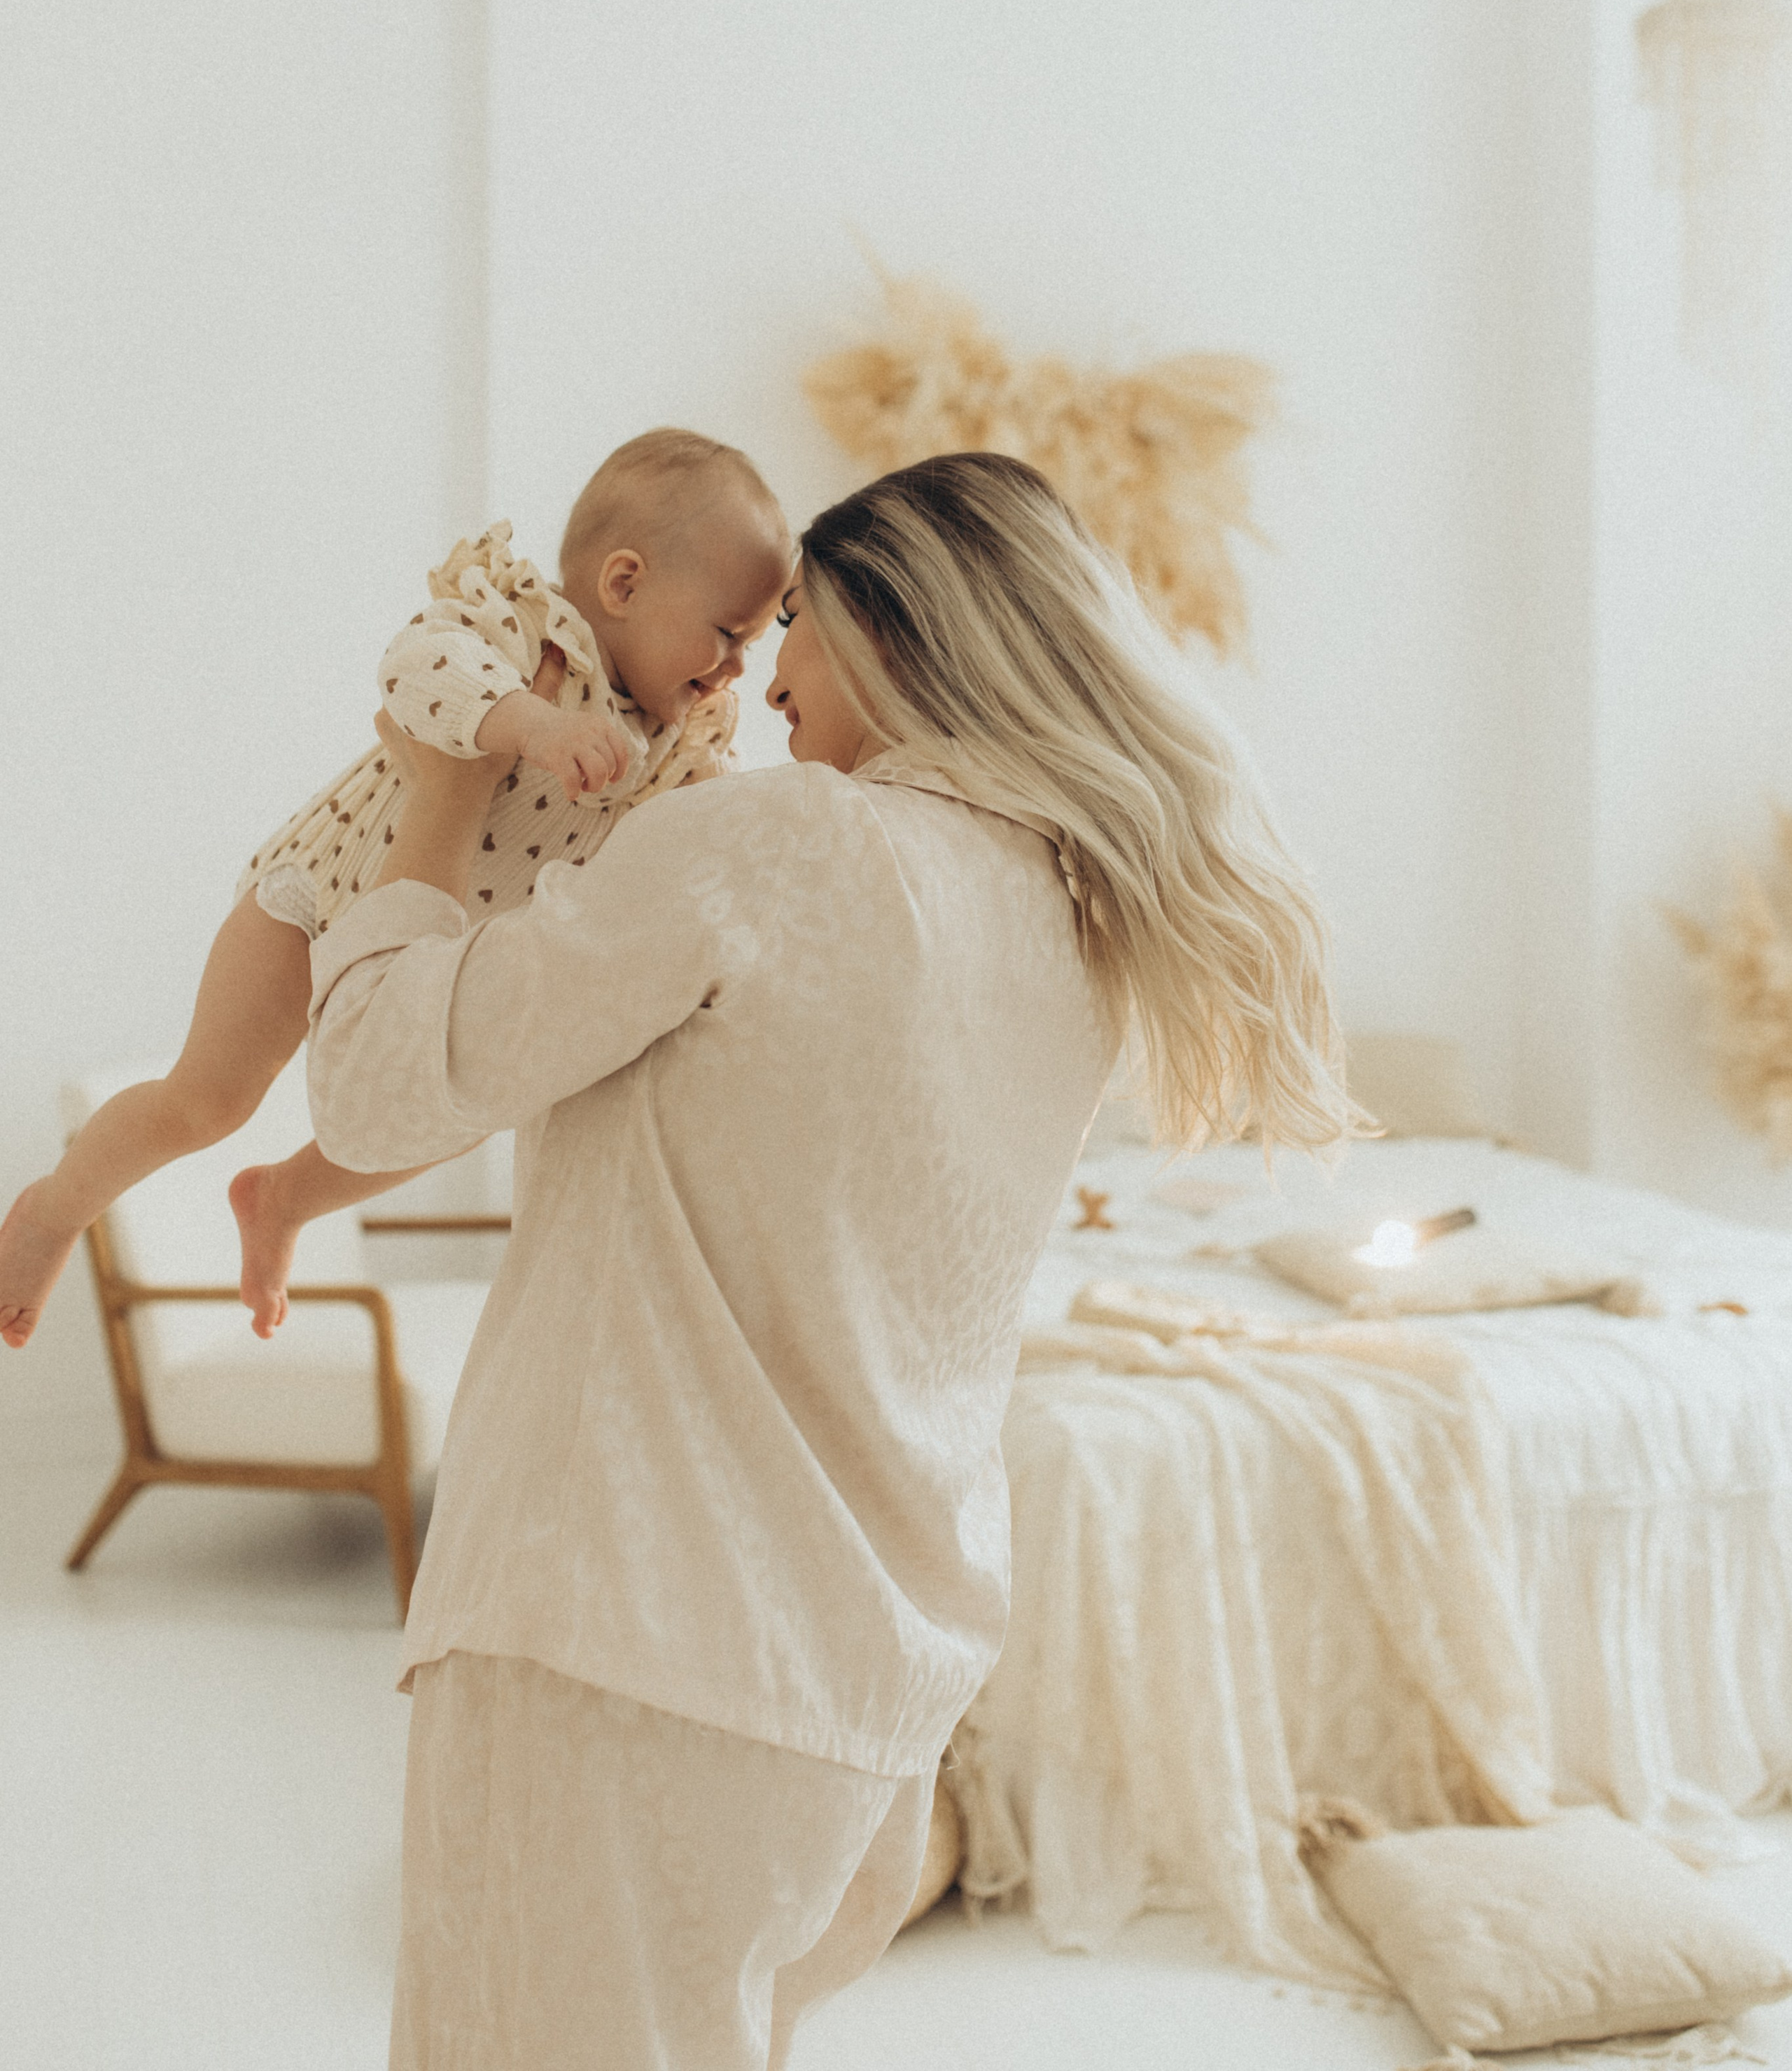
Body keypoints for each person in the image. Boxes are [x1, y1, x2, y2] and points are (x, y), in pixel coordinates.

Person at [293, 448, 1358, 2070]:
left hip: (624, 1641)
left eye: (794, 623)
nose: (768, 677)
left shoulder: (786, 844)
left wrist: (436, 778)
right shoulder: (1069, 925)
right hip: (861, 1699)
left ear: (885, 633)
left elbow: (374, 1089)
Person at [0, 429, 792, 1352]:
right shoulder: (526, 627)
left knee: (462, 1106)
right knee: (207, 1101)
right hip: (323, 894)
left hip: (434, 952)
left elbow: (708, 828)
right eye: (728, 632)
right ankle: (53, 1212)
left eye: (757, 640)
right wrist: (531, 724)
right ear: (623, 585)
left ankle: (285, 1198)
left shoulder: (687, 734)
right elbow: (418, 669)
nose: (740, 667)